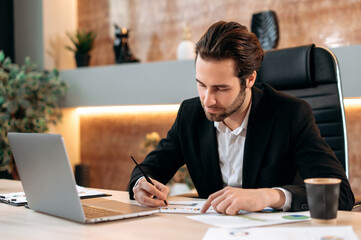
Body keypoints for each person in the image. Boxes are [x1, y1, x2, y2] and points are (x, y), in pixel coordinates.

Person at [129, 21, 354, 215]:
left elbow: (339, 195)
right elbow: (148, 170)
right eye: (201, 85)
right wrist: (141, 185)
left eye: (220, 88)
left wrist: (269, 197)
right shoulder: (191, 114)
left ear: (249, 80)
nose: (208, 100)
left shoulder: (291, 115)